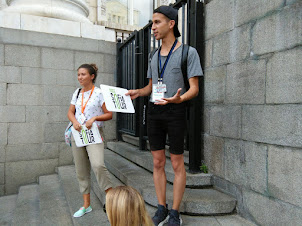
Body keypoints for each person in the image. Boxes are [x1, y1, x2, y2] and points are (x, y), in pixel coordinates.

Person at [126, 5, 203, 226]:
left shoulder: (188, 52)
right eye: (152, 23)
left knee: (177, 163)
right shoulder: (153, 55)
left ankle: (175, 213)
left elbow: (194, 88)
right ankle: (162, 207)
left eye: (157, 22)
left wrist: (180, 99)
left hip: (175, 110)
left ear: (171, 24)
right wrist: (138, 92)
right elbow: (150, 87)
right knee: (158, 162)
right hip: (154, 111)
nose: (153, 28)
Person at [67, 63, 113, 218]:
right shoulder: (77, 92)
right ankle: (86, 205)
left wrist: (94, 118)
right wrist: (74, 121)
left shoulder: (99, 93)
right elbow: (70, 112)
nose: (80, 77)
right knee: (81, 170)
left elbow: (109, 114)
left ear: (92, 76)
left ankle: (111, 198)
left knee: (98, 165)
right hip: (78, 134)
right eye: (78, 74)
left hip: (94, 133)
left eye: (83, 74)